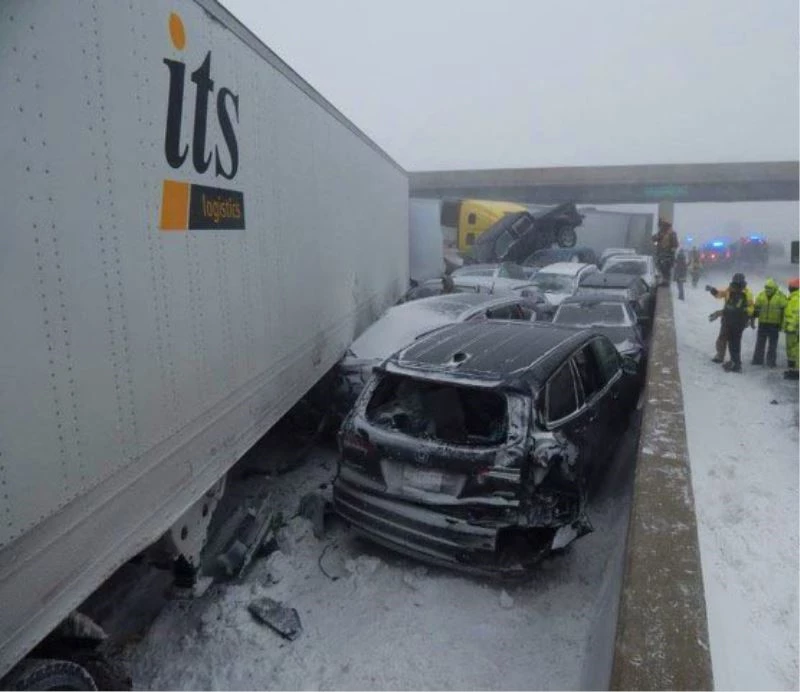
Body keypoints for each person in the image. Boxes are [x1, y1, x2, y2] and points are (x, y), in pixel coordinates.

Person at [706, 272, 754, 372]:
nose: (735, 286)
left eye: (737, 284)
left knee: (734, 342)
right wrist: (712, 290)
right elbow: (720, 294)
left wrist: (747, 316)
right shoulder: (730, 290)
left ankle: (735, 363)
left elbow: (750, 307)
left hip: (738, 321)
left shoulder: (746, 294)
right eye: (734, 283)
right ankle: (720, 356)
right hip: (727, 319)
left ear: (742, 284)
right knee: (722, 337)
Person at [751, 278, 787, 367]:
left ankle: (770, 361)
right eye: (766, 288)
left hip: (774, 325)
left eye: (769, 288)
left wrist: (782, 325)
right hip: (763, 323)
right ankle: (758, 360)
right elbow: (756, 309)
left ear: (774, 288)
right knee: (760, 343)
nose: (768, 290)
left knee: (772, 345)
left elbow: (784, 312)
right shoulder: (761, 295)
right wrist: (752, 320)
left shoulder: (780, 297)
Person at [652, 218, 679, 285]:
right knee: (660, 266)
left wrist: (672, 249)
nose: (661, 227)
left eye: (662, 226)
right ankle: (664, 280)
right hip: (661, 253)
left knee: (665, 267)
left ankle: (666, 281)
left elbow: (675, 244)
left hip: (667, 255)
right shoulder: (661, 233)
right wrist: (656, 243)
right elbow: (654, 240)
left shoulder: (671, 234)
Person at [783, 278, 799, 380]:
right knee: (792, 350)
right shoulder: (792, 298)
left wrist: (791, 327)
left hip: (794, 330)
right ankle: (793, 368)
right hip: (791, 329)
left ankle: (796, 371)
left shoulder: (796, 299)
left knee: (796, 350)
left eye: (790, 286)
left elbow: (796, 315)